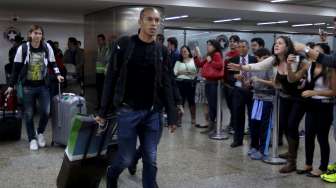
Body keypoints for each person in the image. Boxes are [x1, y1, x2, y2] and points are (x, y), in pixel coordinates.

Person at [95, 7, 177, 188]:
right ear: (140, 22)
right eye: (149, 19)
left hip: (153, 112)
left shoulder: (162, 51)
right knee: (126, 158)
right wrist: (103, 110)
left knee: (151, 158)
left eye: (157, 20)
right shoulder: (124, 45)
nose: (154, 24)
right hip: (127, 111)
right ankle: (112, 172)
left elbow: (167, 83)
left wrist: (172, 114)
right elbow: (111, 78)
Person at [228, 36, 308, 173]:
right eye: (275, 43)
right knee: (284, 125)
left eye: (280, 43)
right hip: (284, 96)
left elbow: (291, 79)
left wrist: (288, 65)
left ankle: (292, 161)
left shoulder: (294, 59)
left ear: (287, 47)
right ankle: (291, 151)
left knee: (291, 125)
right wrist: (241, 67)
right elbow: (258, 66)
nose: (276, 45)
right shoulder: (275, 59)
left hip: (298, 98)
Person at [5, 25, 64, 150]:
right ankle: (32, 138)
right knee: (29, 114)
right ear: (30, 34)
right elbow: (16, 69)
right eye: (35, 33)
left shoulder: (47, 47)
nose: (38, 36)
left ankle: (40, 133)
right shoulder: (23, 48)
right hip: (28, 87)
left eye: (40, 33)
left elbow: (53, 62)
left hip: (43, 86)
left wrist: (58, 74)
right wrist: (11, 85)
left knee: (46, 112)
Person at [296, 43, 336, 177]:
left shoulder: (330, 69)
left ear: (324, 55)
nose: (313, 53)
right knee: (309, 136)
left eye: (317, 52)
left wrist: (313, 93)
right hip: (311, 105)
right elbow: (303, 82)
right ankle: (308, 164)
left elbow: (333, 92)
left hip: (324, 105)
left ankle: (323, 167)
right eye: (313, 51)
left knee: (322, 138)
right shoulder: (309, 66)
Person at [228, 40, 257, 147]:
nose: (241, 49)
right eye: (239, 47)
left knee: (252, 116)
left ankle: (253, 141)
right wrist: (234, 77)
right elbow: (227, 76)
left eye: (243, 47)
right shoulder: (233, 60)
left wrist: (252, 81)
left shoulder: (254, 60)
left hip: (251, 91)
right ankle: (237, 140)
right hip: (238, 91)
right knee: (238, 116)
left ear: (247, 48)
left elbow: (258, 73)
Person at [248, 48, 274, 159]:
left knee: (264, 125)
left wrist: (259, 80)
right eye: (263, 58)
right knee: (254, 124)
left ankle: (263, 150)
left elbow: (274, 83)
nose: (265, 60)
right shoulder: (254, 67)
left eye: (267, 58)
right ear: (257, 58)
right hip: (256, 97)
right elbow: (250, 82)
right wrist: (248, 81)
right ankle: (254, 146)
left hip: (267, 99)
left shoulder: (269, 68)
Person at [194, 39, 224, 134]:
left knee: (215, 105)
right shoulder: (209, 55)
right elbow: (200, 64)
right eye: (207, 45)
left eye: (210, 45)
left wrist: (211, 62)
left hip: (214, 83)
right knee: (211, 105)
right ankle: (212, 127)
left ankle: (217, 127)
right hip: (208, 82)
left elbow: (219, 66)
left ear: (215, 46)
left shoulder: (217, 54)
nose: (208, 46)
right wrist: (195, 56)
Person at [174, 45, 198, 127]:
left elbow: (195, 72)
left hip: (191, 83)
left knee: (191, 101)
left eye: (185, 51)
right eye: (182, 52)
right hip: (180, 83)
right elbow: (175, 72)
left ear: (188, 52)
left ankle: (193, 118)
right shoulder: (178, 62)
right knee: (181, 101)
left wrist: (182, 72)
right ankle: (179, 119)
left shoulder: (193, 60)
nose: (183, 53)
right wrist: (186, 73)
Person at [223, 35, 240, 134]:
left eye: (234, 41)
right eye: (230, 41)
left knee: (235, 106)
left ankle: (234, 125)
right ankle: (232, 124)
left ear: (238, 43)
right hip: (226, 84)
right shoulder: (227, 54)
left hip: (234, 85)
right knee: (230, 106)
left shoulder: (238, 54)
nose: (232, 43)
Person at [95, 34, 111, 109]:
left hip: (105, 73)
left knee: (104, 91)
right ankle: (99, 105)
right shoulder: (99, 48)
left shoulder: (107, 48)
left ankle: (104, 106)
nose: (98, 41)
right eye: (98, 40)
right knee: (99, 90)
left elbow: (106, 60)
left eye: (100, 40)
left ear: (104, 40)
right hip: (98, 72)